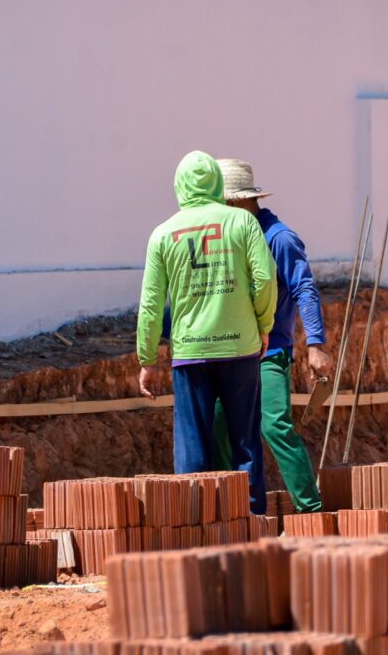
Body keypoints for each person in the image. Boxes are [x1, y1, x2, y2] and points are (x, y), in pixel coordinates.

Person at [136, 150, 276, 515]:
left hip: (191, 353)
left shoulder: (163, 234)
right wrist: (264, 326)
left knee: (193, 446)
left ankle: (194, 526)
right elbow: (264, 279)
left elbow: (151, 304)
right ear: (217, 182)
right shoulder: (243, 224)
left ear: (179, 186)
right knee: (245, 442)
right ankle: (251, 523)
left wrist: (147, 359)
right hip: (240, 348)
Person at [210, 158, 333, 513]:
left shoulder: (278, 238)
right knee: (219, 429)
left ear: (235, 201)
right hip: (232, 352)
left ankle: (311, 512)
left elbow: (304, 288)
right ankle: (232, 515)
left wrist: (315, 344)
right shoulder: (230, 236)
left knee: (274, 426)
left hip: (271, 352)